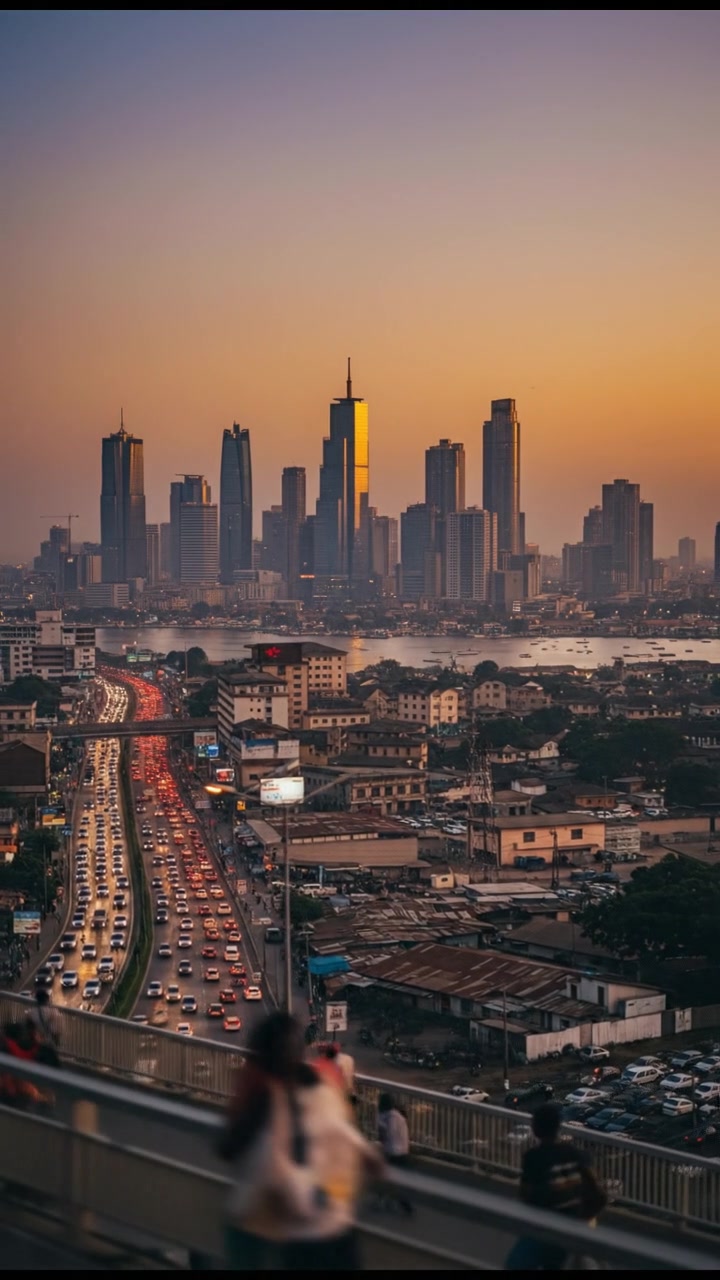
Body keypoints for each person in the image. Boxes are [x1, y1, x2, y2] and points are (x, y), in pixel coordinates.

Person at [218, 1012, 383, 1271]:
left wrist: (301, 1199)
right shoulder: (320, 1084)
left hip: (295, 1233)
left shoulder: (269, 1096)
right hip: (336, 1229)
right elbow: (353, 1141)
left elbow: (235, 1150)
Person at [504, 1103, 607, 1270]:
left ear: (536, 1128)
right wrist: (580, 1220)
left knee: (516, 1264)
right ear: (558, 1127)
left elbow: (526, 1195)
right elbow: (599, 1196)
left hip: (547, 1228)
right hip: (578, 1227)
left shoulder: (534, 1158)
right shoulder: (578, 1154)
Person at [377, 1093, 413, 1216]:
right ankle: (394, 1200)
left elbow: (387, 1135)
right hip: (403, 1151)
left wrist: (381, 1129)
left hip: (393, 1152)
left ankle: (389, 1200)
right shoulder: (399, 1116)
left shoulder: (389, 1117)